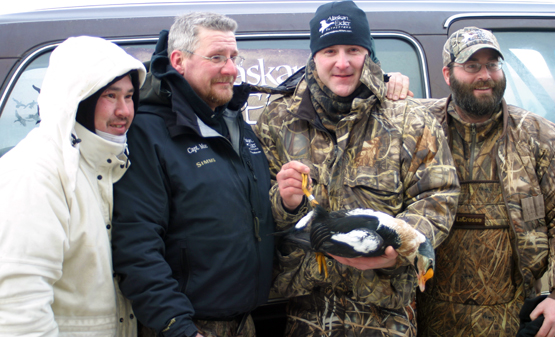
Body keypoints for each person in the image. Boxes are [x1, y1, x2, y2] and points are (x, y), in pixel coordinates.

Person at [254, 1, 460, 336]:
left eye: (353, 49)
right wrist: (285, 201)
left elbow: (438, 195)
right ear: (314, 57)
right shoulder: (278, 120)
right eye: (330, 50)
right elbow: (254, 205)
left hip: (385, 317)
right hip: (306, 316)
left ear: (368, 52)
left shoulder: (408, 118)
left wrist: (395, 249)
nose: (343, 62)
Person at [109, 12, 275, 337]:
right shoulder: (149, 132)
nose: (231, 69)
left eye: (233, 57)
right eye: (216, 57)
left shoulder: (228, 120)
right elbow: (136, 246)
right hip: (187, 326)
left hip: (245, 321)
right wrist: (179, 327)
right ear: (179, 60)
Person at [0, 36, 146, 336]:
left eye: (129, 96)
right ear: (77, 98)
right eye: (110, 95)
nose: (124, 111)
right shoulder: (36, 173)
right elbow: (18, 306)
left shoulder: (110, 164)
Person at [416, 26, 555, 337]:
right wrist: (388, 83)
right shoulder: (417, 128)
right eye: (472, 66)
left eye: (492, 64)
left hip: (517, 317)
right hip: (429, 319)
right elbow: (355, 103)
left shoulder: (539, 136)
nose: (485, 75)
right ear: (448, 74)